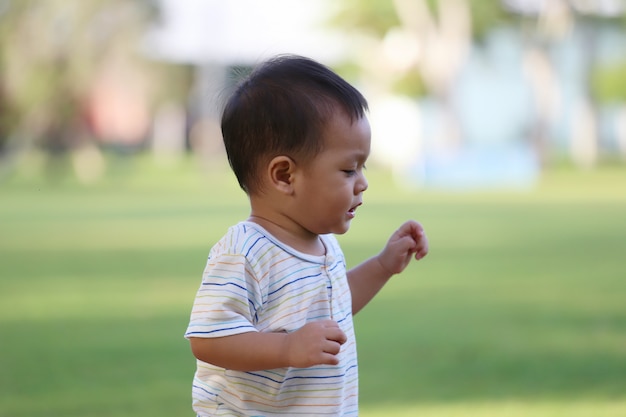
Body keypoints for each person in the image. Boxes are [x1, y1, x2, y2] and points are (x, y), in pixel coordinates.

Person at [185, 54, 429, 416]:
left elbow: (335, 307)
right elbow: (209, 340)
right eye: (348, 169)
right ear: (284, 176)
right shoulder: (246, 252)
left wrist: (382, 266)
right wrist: (286, 349)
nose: (362, 183)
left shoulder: (324, 246)